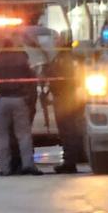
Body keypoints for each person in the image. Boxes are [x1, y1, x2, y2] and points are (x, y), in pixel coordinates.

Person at [0, 38, 41, 176]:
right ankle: (27, 165)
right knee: (23, 134)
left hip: (2, 100)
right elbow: (31, 78)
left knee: (2, 136)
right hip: (19, 99)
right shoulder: (22, 60)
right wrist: (28, 98)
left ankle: (5, 168)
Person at [46, 36, 85, 173]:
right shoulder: (64, 56)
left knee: (68, 130)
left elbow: (64, 78)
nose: (55, 41)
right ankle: (70, 159)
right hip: (64, 96)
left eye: (58, 40)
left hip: (65, 97)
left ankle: (70, 162)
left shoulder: (65, 58)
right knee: (67, 130)